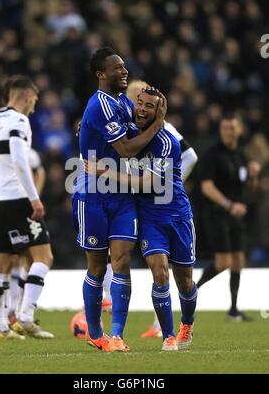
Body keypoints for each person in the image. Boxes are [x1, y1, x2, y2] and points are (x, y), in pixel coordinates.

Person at [85, 87, 198, 351]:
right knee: (160, 274)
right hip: (149, 218)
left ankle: (187, 324)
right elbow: (108, 134)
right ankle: (168, 336)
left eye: (150, 106)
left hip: (177, 215)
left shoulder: (168, 143)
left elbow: (146, 181)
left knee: (185, 281)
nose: (143, 109)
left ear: (160, 111)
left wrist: (104, 172)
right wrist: (87, 127)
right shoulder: (131, 134)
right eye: (140, 103)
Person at [72, 47, 166, 352]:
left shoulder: (123, 103)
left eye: (124, 67)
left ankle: (116, 336)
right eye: (118, 68)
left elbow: (134, 137)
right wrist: (157, 124)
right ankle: (96, 334)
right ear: (102, 74)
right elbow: (127, 149)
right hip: (93, 194)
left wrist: (151, 121)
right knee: (98, 268)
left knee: (122, 261)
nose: (124, 72)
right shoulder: (98, 105)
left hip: (123, 195)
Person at [0, 75, 54, 340]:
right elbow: (20, 160)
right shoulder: (18, 121)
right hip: (16, 198)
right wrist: (34, 198)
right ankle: (25, 317)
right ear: (24, 97)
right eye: (33, 100)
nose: (34, 106)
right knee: (43, 258)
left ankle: (1, 327)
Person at [197, 114, 260, 321]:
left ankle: (233, 310)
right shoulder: (213, 155)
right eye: (225, 128)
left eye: (232, 128)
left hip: (236, 215)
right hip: (217, 214)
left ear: (239, 130)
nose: (228, 132)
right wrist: (229, 205)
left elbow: (249, 188)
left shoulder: (241, 156)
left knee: (238, 260)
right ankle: (191, 291)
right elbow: (206, 187)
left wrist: (253, 175)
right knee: (223, 261)